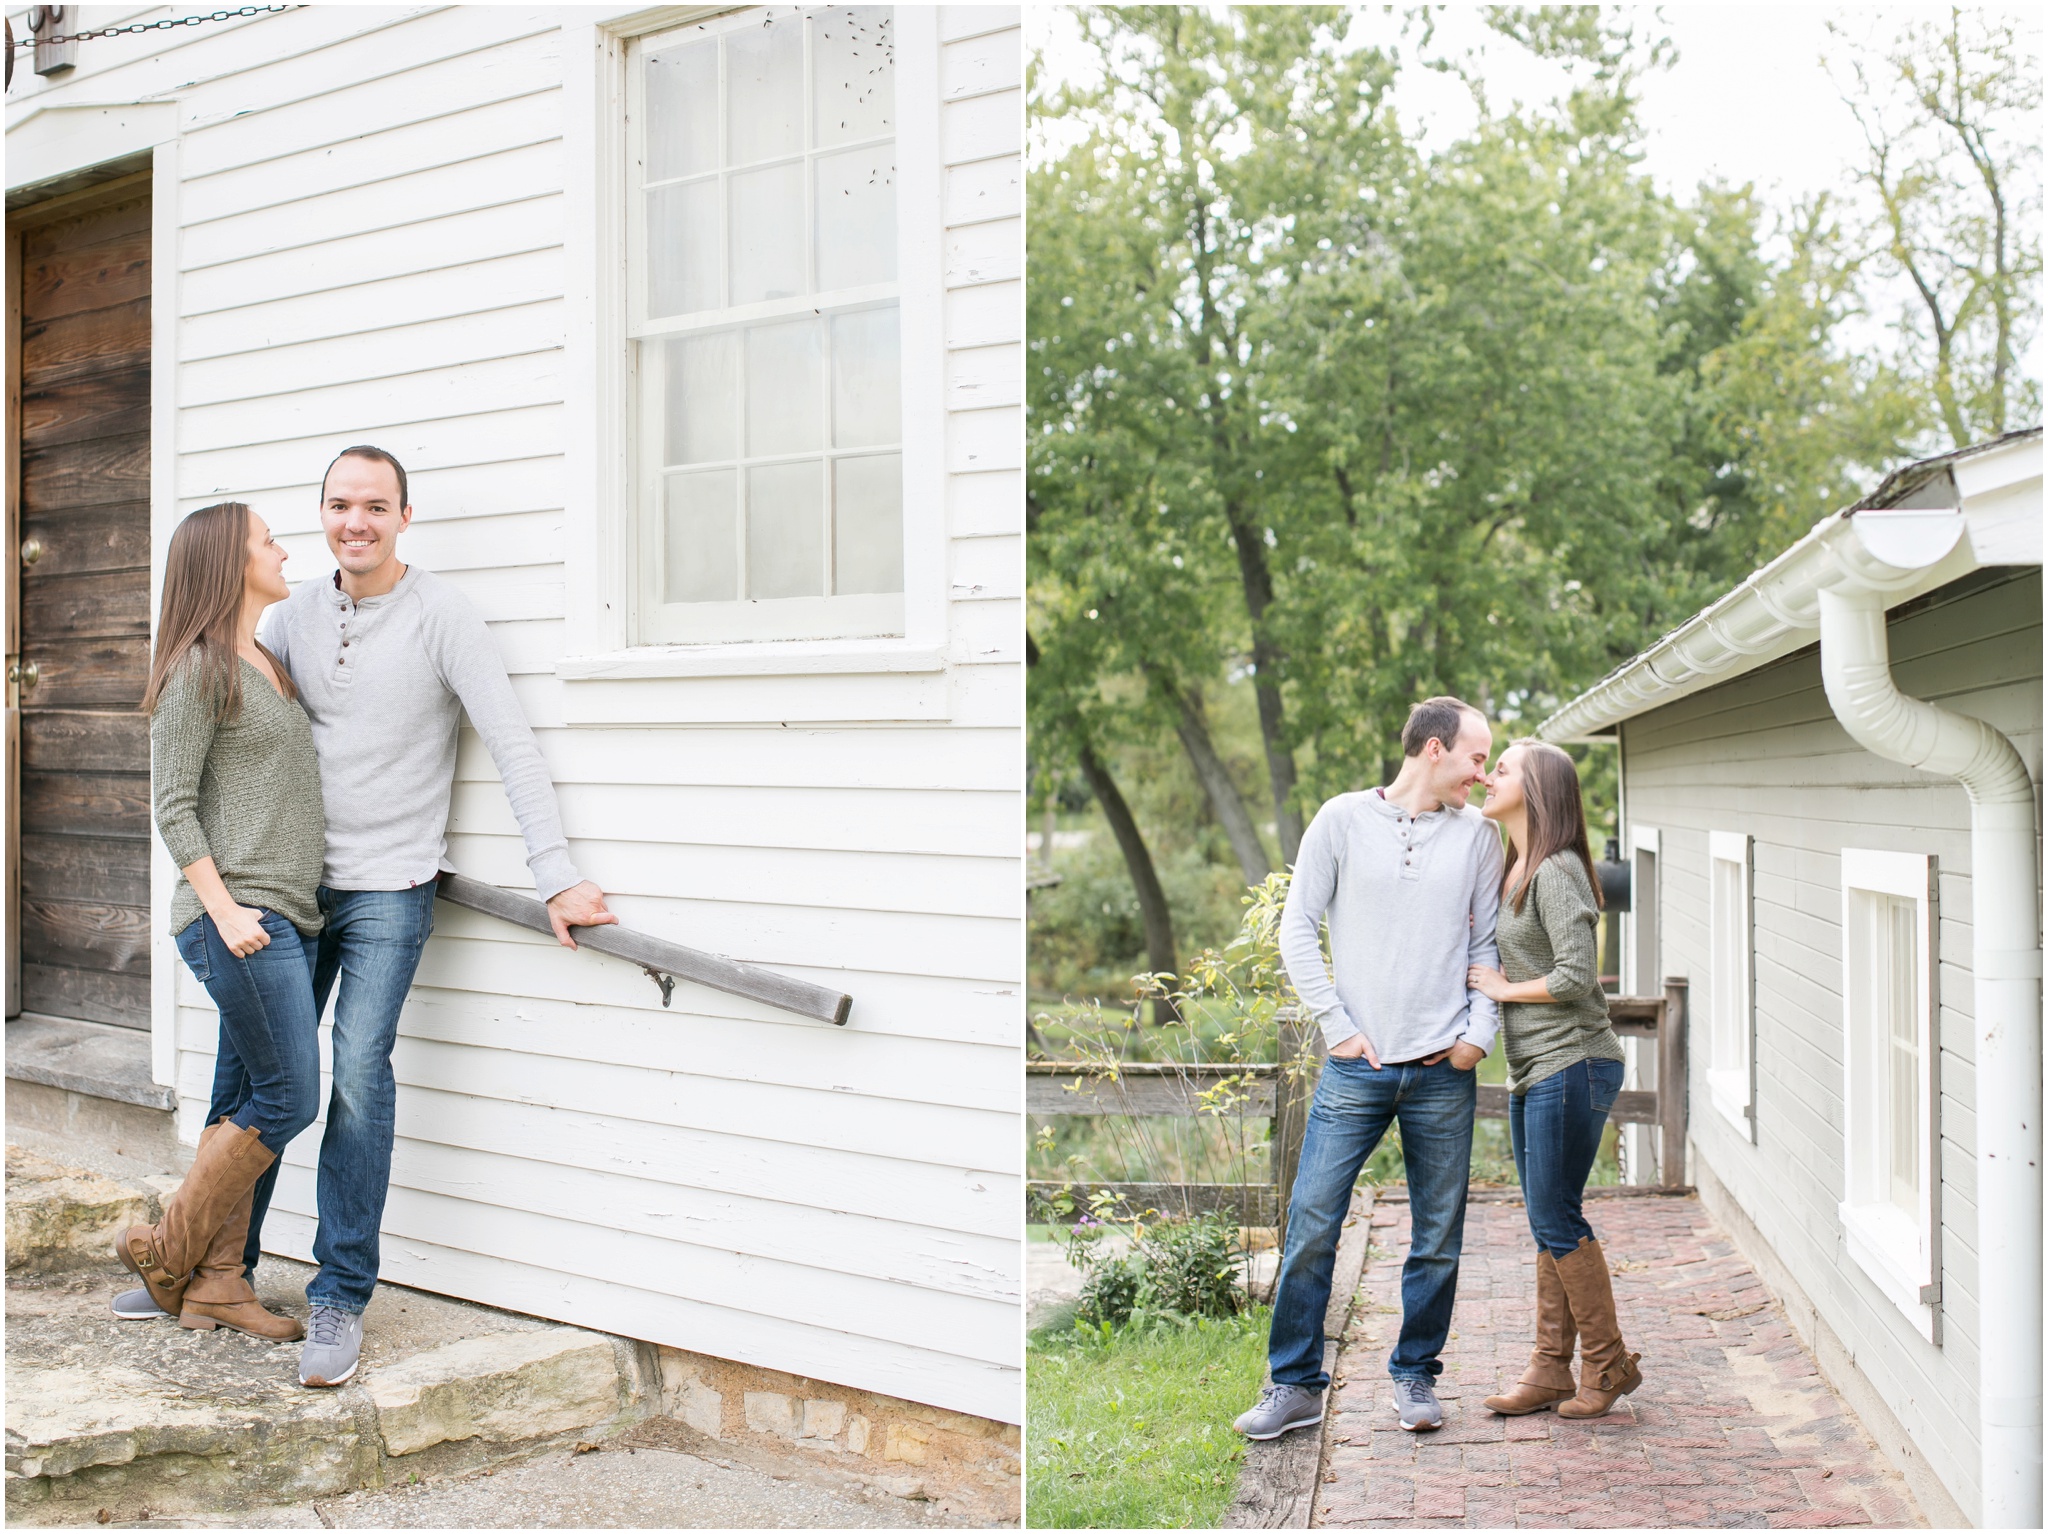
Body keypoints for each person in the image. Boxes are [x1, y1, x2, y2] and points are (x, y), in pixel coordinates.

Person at [1234, 697, 1503, 1440]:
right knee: (1313, 1224)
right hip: (1357, 1070)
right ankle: (1294, 1386)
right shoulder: (1343, 819)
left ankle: (1415, 1374)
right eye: (1477, 759)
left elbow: (1488, 949)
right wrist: (1338, 1027)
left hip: (1443, 1070)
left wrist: (1477, 1036)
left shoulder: (1480, 839)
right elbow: (1297, 928)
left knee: (1438, 1235)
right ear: (1435, 749)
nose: (1483, 777)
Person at [116, 502, 322, 1343]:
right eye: (267, 541)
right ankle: (170, 1251)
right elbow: (172, 807)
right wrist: (226, 906)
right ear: (228, 564)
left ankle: (218, 1287)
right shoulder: (199, 668)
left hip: (286, 912)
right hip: (238, 916)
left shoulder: (265, 660)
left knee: (241, 1094)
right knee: (290, 1094)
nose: (282, 551)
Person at [1468, 738, 1640, 1419]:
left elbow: (1574, 976)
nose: (1488, 776)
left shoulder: (1557, 870)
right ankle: (1550, 1369)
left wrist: (1501, 989)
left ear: (1536, 789)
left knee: (1556, 1215)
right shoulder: (1518, 869)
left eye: (1501, 769)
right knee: (1549, 1217)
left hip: (1575, 1060)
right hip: (1539, 1066)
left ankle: (1606, 1365)